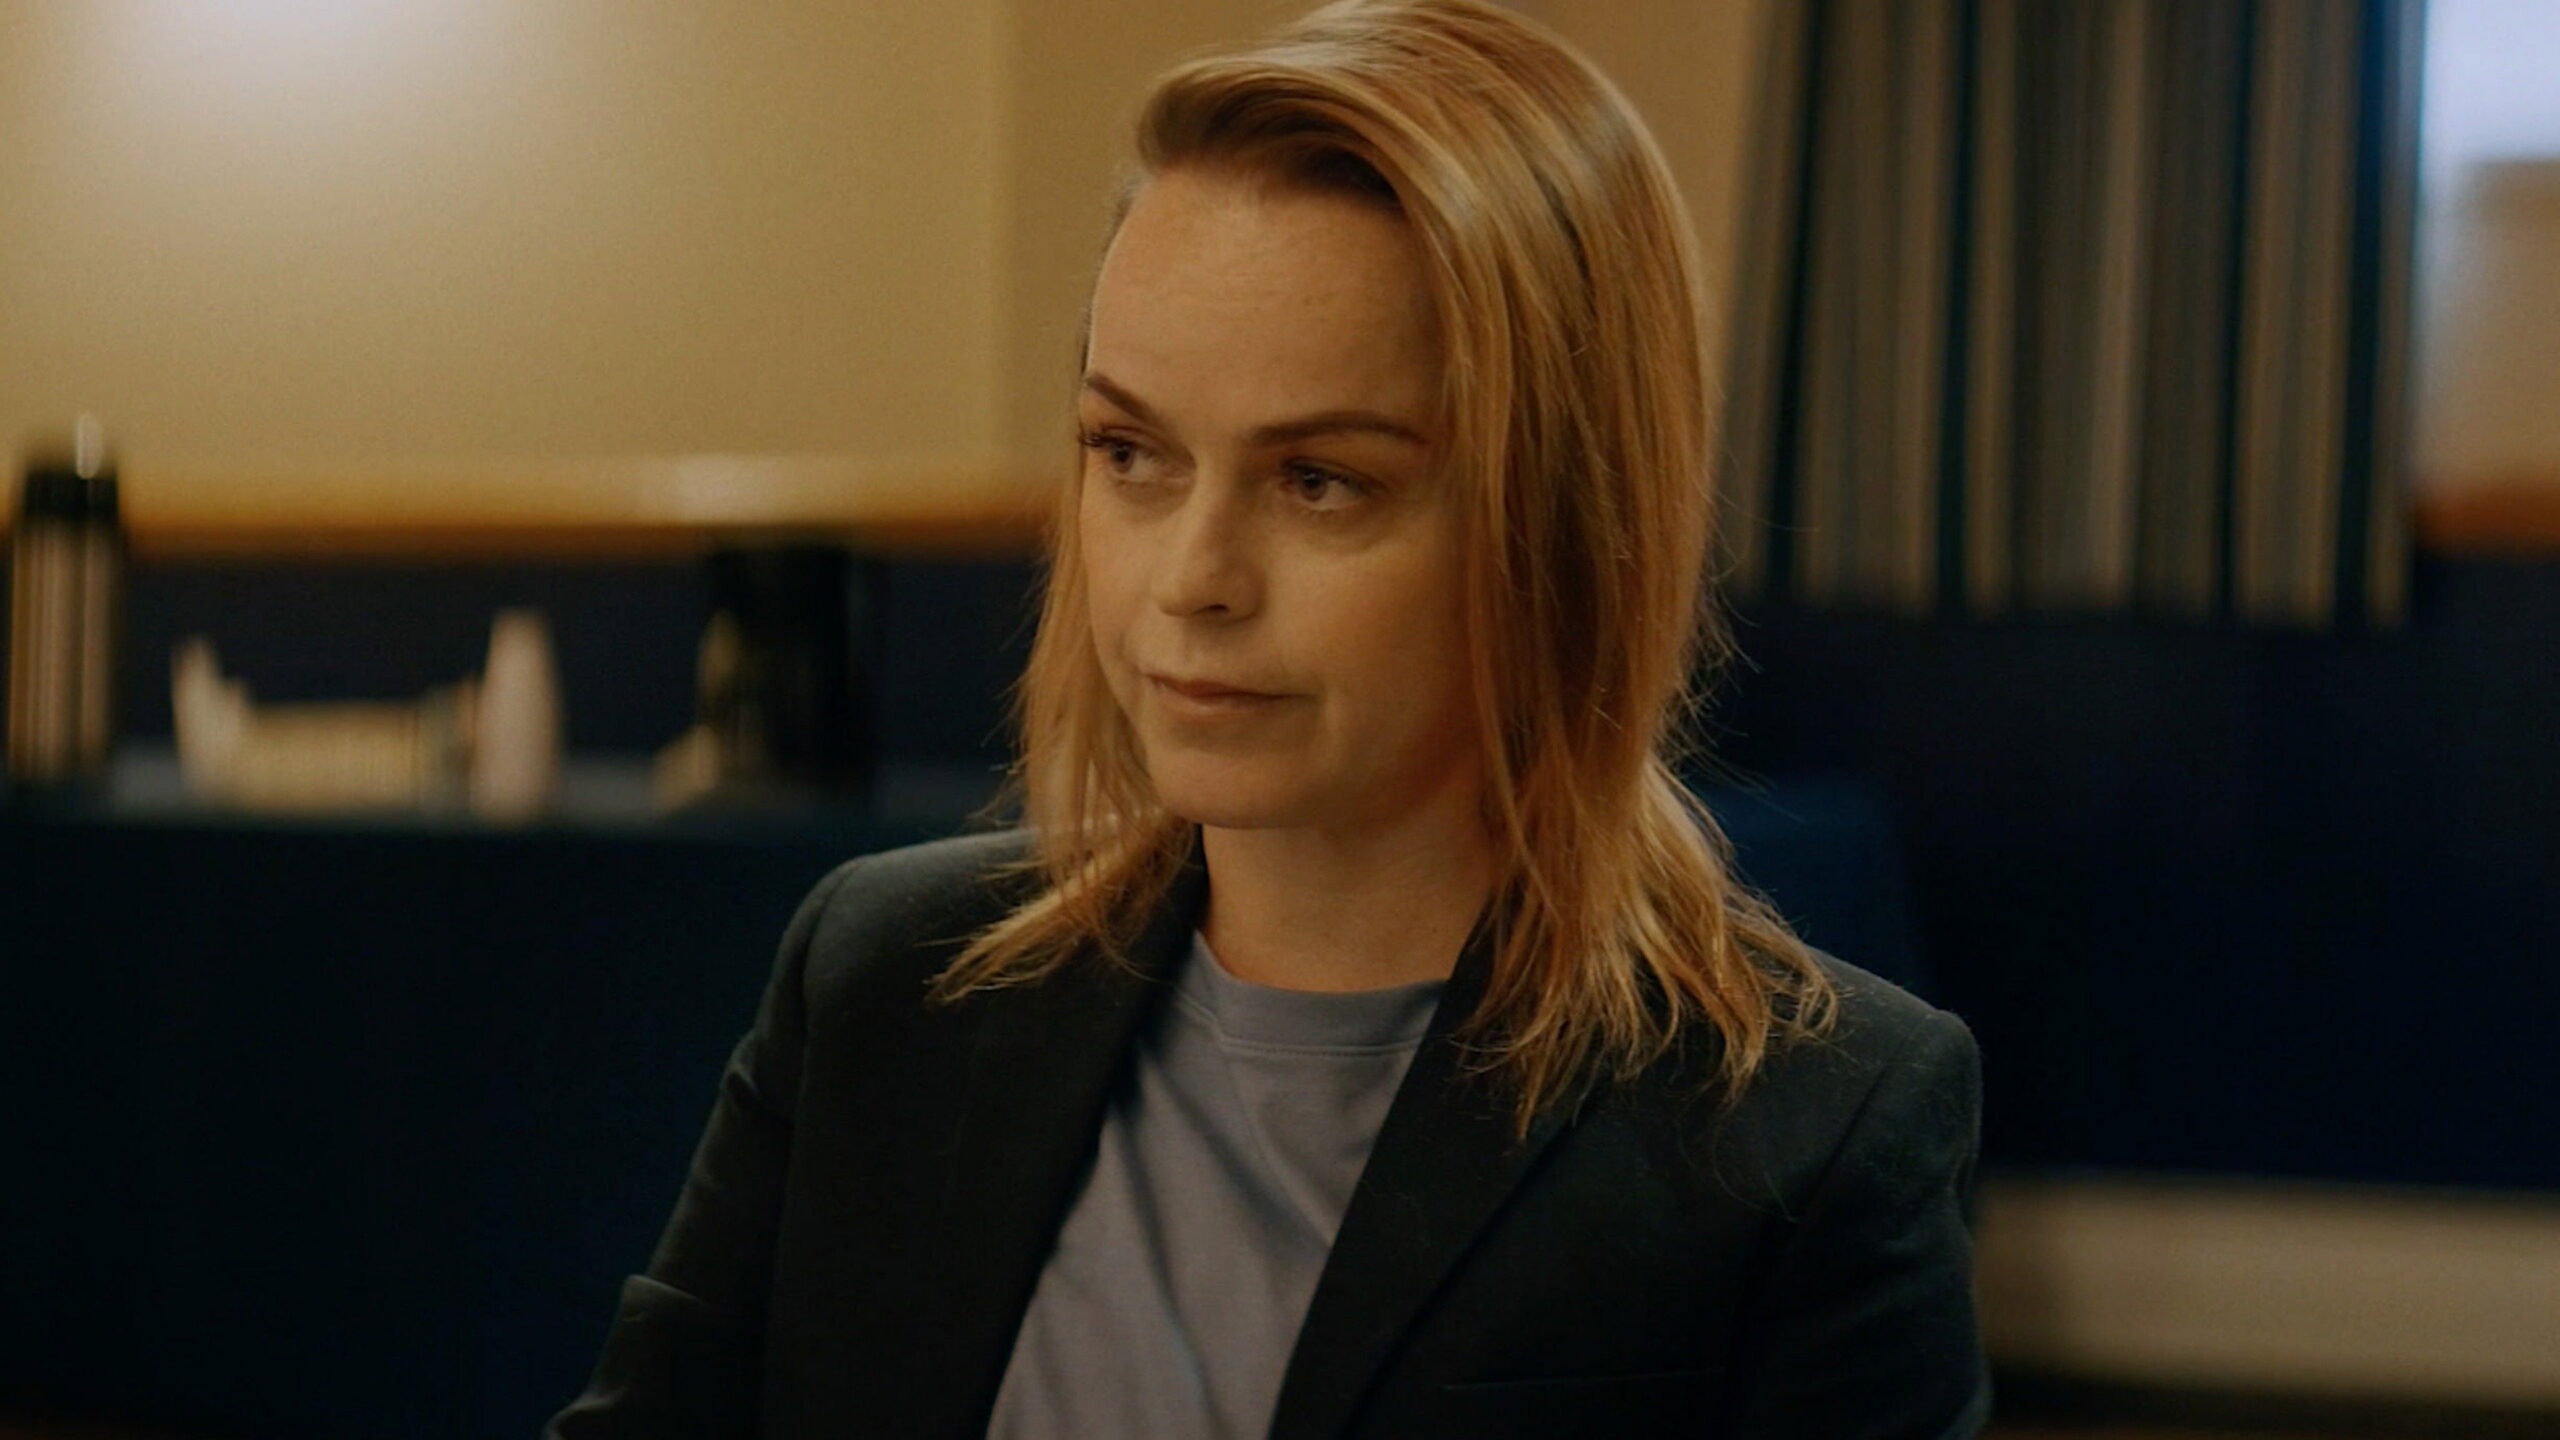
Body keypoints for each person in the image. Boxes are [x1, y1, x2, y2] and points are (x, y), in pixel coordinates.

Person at [548, 1, 1987, 1435]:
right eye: (1132, 452)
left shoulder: (1810, 1130)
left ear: (1562, 524)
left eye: (1320, 482)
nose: (1192, 579)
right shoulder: (882, 981)